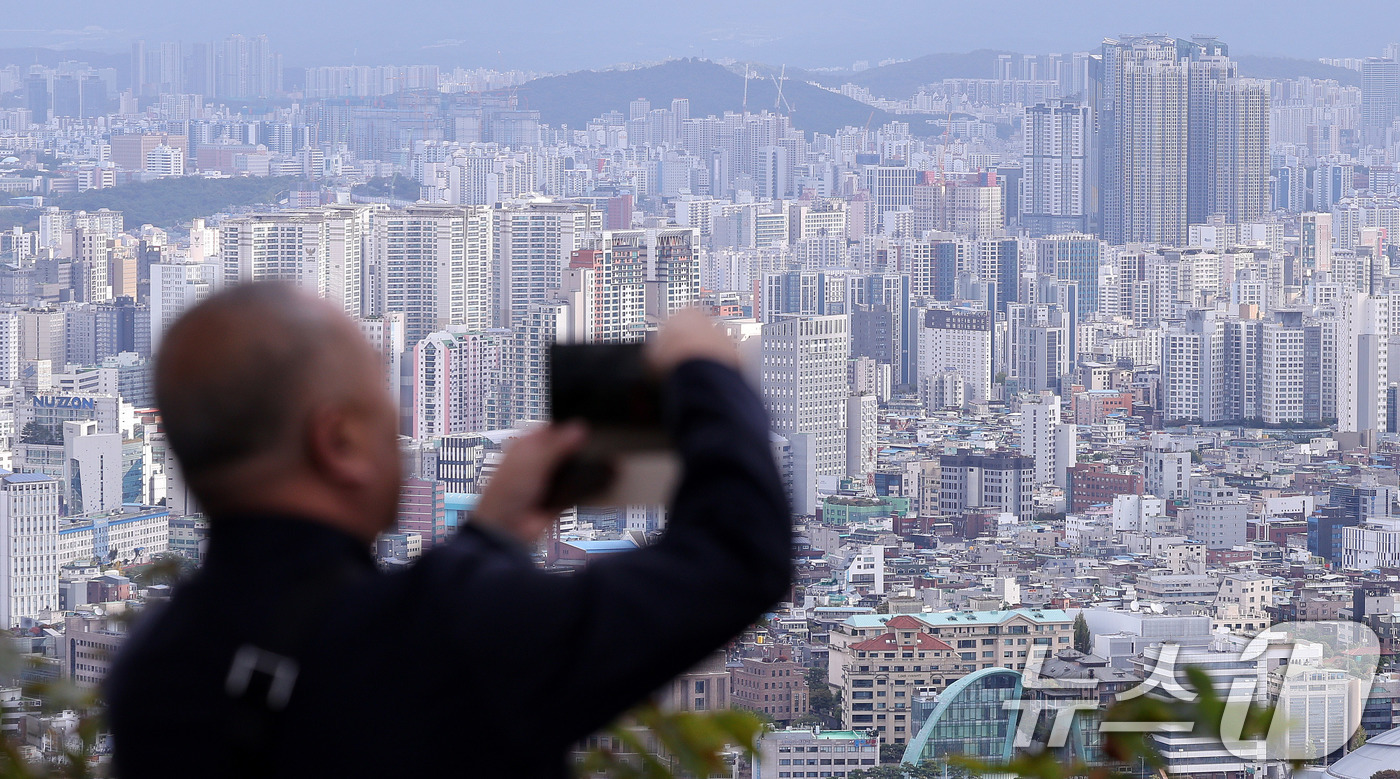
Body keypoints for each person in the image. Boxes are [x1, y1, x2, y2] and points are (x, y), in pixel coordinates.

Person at [105, 282, 791, 778]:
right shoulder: (459, 634)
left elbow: (358, 654)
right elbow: (739, 554)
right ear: (338, 440)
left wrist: (488, 539)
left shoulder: (151, 672)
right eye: (385, 405)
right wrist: (708, 374)